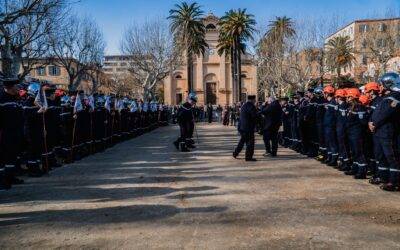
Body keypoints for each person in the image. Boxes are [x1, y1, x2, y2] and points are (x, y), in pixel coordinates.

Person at [369, 72, 400, 191]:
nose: (379, 87)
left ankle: (394, 181)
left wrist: (374, 123)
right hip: (380, 132)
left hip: (388, 132)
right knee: (380, 156)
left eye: (381, 84)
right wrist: (370, 122)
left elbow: (386, 113)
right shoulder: (385, 98)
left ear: (388, 84)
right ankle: (384, 178)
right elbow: (377, 112)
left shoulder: (396, 96)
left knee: (392, 157)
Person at [0, 78, 25, 190]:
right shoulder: (2, 99)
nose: (18, 88)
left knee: (12, 156)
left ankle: (10, 177)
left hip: (16, 132)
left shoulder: (16, 99)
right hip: (4, 133)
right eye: (16, 86)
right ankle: (2, 180)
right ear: (10, 87)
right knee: (3, 157)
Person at [233, 95, 258, 161]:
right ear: (252, 99)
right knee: (250, 143)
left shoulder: (244, 105)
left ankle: (235, 153)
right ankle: (248, 157)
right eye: (254, 99)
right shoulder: (251, 106)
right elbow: (254, 116)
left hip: (242, 127)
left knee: (242, 141)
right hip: (248, 128)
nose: (255, 101)